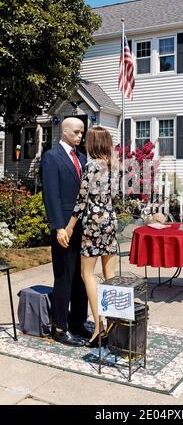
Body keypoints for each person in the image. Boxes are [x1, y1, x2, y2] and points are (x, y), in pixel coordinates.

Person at [65, 126, 119, 348]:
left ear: (93, 144)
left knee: (87, 274)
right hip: (110, 220)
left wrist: (68, 227)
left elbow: (81, 201)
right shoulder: (114, 166)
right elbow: (113, 196)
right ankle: (114, 324)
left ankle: (98, 326)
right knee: (111, 275)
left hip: (93, 223)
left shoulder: (91, 166)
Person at [40, 117, 89, 347]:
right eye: (77, 132)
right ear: (65, 131)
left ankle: (77, 322)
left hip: (83, 227)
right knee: (64, 277)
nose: (81, 136)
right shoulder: (51, 157)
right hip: (63, 227)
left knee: (82, 277)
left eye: (82, 132)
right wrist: (58, 226)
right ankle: (60, 327)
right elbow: (51, 195)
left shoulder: (82, 157)